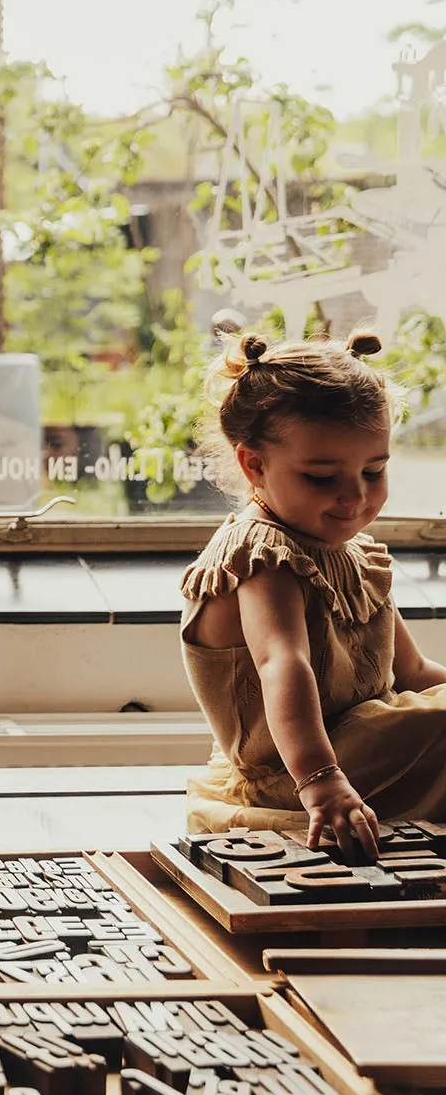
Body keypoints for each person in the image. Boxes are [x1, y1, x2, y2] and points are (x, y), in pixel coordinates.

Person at [181, 329, 446, 855]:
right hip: (292, 772)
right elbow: (285, 664)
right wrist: (323, 783)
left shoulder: (346, 549)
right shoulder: (262, 555)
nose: (356, 496)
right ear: (253, 464)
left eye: (375, 470)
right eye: (322, 477)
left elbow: (411, 673)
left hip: (361, 743)